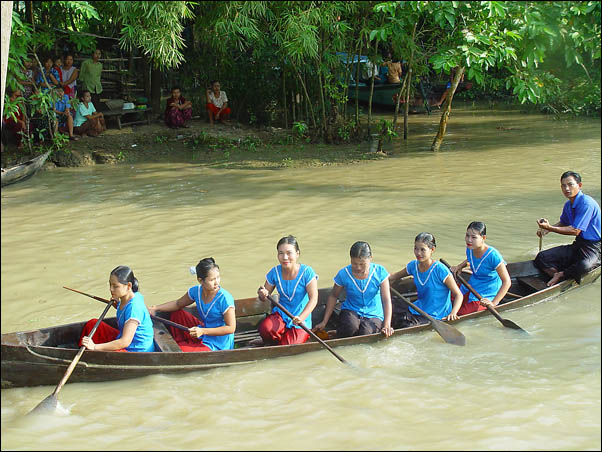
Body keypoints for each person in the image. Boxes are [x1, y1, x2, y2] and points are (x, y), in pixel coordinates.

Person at [148, 258, 236, 352]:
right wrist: (155, 308)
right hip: (203, 330)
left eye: (218, 277)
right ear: (200, 280)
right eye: (212, 280)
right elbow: (178, 304)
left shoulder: (225, 299)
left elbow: (231, 328)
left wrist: (202, 331)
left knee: (181, 351)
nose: (217, 282)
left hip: (218, 342)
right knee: (177, 313)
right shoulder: (196, 291)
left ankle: (187, 346)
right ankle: (187, 343)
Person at [313, 241, 394, 338]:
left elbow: (386, 300)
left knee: (366, 332)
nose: (358, 268)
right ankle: (339, 331)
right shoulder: (344, 274)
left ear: (370, 259)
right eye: (354, 264)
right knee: (350, 328)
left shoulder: (380, 272)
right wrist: (324, 322)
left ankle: (339, 331)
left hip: (374, 313)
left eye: (362, 264)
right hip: (351, 310)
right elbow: (333, 296)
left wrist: (386, 325)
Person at [535, 171, 601, 286]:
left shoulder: (586, 203)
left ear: (579, 185)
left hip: (594, 246)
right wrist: (547, 230)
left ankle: (562, 275)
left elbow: (575, 230)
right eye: (563, 186)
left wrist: (550, 227)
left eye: (570, 184)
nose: (567, 188)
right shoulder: (568, 204)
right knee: (541, 257)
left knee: (584, 266)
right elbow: (563, 222)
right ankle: (559, 276)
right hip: (579, 244)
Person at [389, 232, 463, 328]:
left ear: (432, 250)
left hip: (436, 314)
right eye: (416, 248)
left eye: (422, 250)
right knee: (391, 303)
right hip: (419, 307)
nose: (418, 253)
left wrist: (453, 313)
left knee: (405, 325)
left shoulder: (440, 270)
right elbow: (393, 277)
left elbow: (458, 295)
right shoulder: (413, 265)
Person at [257, 235, 318, 345]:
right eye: (281, 253)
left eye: (289, 253)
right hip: (282, 314)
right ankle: (277, 336)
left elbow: (313, 299)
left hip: (300, 318)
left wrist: (301, 317)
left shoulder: (307, 272)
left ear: (297, 254)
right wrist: (262, 293)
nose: (285, 257)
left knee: (290, 345)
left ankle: (284, 338)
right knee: (266, 330)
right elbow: (263, 298)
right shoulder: (274, 272)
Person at [79, 266, 155, 352]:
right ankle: (84, 349)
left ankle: (88, 351)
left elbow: (125, 342)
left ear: (128, 285)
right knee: (92, 324)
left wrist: (95, 347)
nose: (111, 289)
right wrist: (118, 305)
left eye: (115, 286)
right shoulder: (130, 297)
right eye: (110, 284)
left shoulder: (134, 308)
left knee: (107, 351)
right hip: (124, 340)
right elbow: (125, 310)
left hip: (136, 350)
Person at [449, 222, 511, 315]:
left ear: (483, 238)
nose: (469, 240)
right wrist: (460, 266)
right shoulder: (470, 248)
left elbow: (507, 282)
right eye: (467, 235)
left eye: (474, 237)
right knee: (446, 295)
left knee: (461, 313)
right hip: (473, 285)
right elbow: (470, 259)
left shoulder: (493, 255)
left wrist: (494, 303)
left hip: (487, 293)